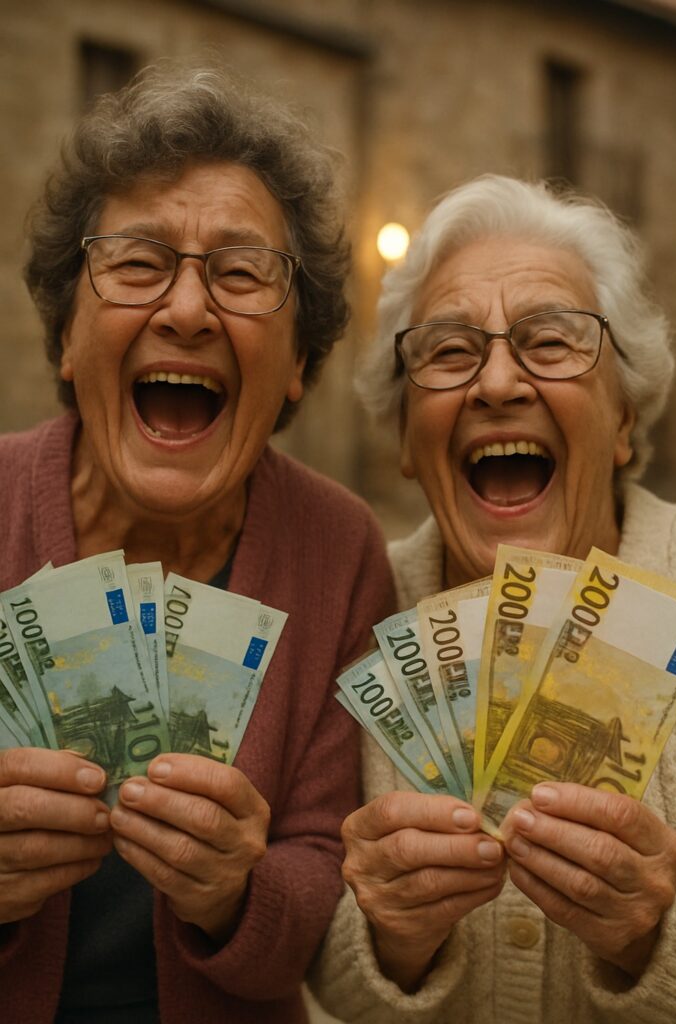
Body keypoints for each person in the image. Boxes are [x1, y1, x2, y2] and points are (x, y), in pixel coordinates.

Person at [0, 62, 395, 1024]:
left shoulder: (339, 549)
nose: (186, 309)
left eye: (240, 272)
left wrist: (238, 895)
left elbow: (322, 869)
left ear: (297, 362)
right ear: (66, 336)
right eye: (137, 263)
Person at [308, 175, 676, 1023]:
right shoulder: (352, 607)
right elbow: (307, 958)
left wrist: (651, 942)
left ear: (623, 418)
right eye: (447, 352)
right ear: (406, 437)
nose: (497, 382)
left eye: (549, 342)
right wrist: (390, 943)